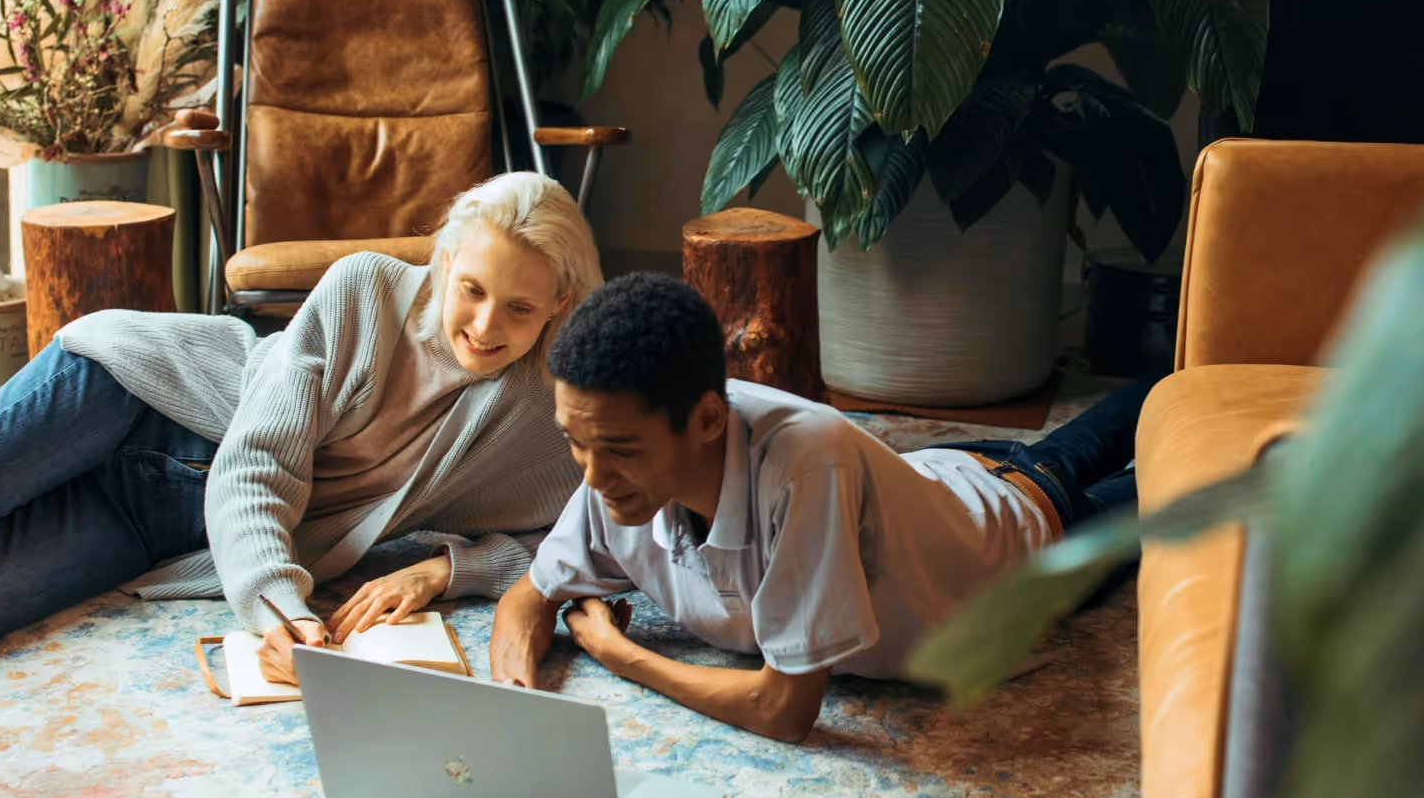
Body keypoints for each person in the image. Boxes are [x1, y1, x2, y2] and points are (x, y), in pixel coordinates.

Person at [0, 172, 602, 679]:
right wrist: (274, 601)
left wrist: (450, 569)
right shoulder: (365, 289)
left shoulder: (544, 415)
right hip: (124, 397)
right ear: (445, 262)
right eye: (471, 289)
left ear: (559, 307)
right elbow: (257, 465)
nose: (483, 324)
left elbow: (584, 538)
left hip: (155, 523)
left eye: (520, 309)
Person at [489, 273, 1157, 742]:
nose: (594, 477)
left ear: (706, 420)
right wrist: (510, 705)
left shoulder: (805, 466)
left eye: (618, 450)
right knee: (1122, 423)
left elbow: (785, 711)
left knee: (1193, 458)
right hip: (934, 477)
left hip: (1023, 530)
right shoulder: (616, 459)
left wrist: (618, 653)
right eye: (575, 442)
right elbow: (532, 595)